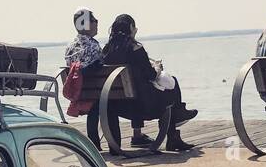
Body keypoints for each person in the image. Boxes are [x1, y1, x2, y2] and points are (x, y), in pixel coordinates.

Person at [99, 14, 199, 153]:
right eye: (134, 28)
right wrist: (158, 68)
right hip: (145, 106)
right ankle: (175, 130)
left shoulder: (106, 51)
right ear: (130, 28)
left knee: (141, 90)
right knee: (172, 84)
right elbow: (151, 75)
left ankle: (115, 146)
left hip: (118, 106)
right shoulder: (135, 48)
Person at [64, 9, 147, 150]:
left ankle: (94, 145)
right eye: (94, 20)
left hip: (82, 92)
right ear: (86, 24)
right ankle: (115, 147)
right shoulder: (93, 46)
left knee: (96, 107)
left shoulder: (70, 47)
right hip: (101, 94)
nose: (97, 23)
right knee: (110, 106)